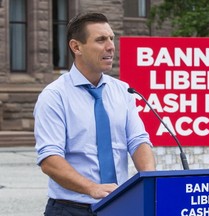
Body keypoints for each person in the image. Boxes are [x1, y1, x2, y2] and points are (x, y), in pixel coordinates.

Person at [34, 12, 156, 216]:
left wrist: (151, 183)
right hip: (70, 209)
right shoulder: (54, 96)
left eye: (111, 38)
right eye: (101, 40)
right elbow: (50, 159)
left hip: (119, 206)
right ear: (76, 47)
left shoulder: (123, 91)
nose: (110, 46)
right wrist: (93, 188)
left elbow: (138, 140)